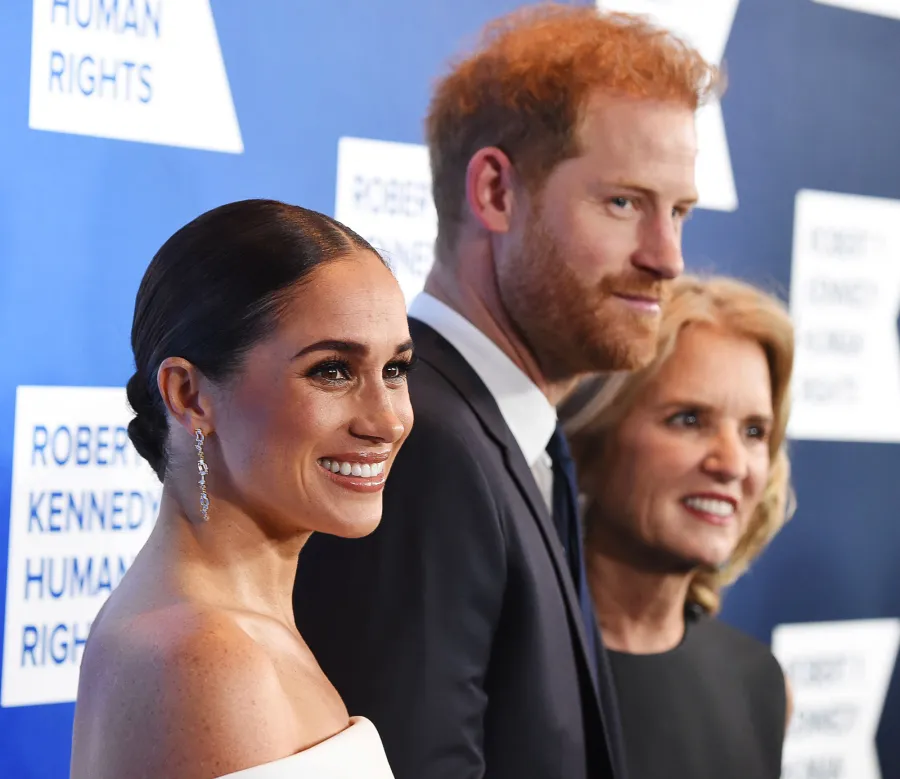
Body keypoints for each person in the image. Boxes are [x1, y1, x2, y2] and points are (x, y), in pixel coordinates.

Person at [294, 6, 719, 779]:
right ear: (495, 191)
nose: (668, 258)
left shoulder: (508, 435)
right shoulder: (416, 439)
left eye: (680, 211)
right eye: (624, 203)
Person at [69, 199, 414, 779]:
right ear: (189, 395)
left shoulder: (207, 629)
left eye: (395, 370)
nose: (387, 420)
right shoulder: (207, 658)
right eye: (332, 370)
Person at [560, 274, 796, 779]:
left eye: (755, 431)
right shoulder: (514, 672)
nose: (733, 463)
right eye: (689, 419)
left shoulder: (759, 684)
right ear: (591, 439)